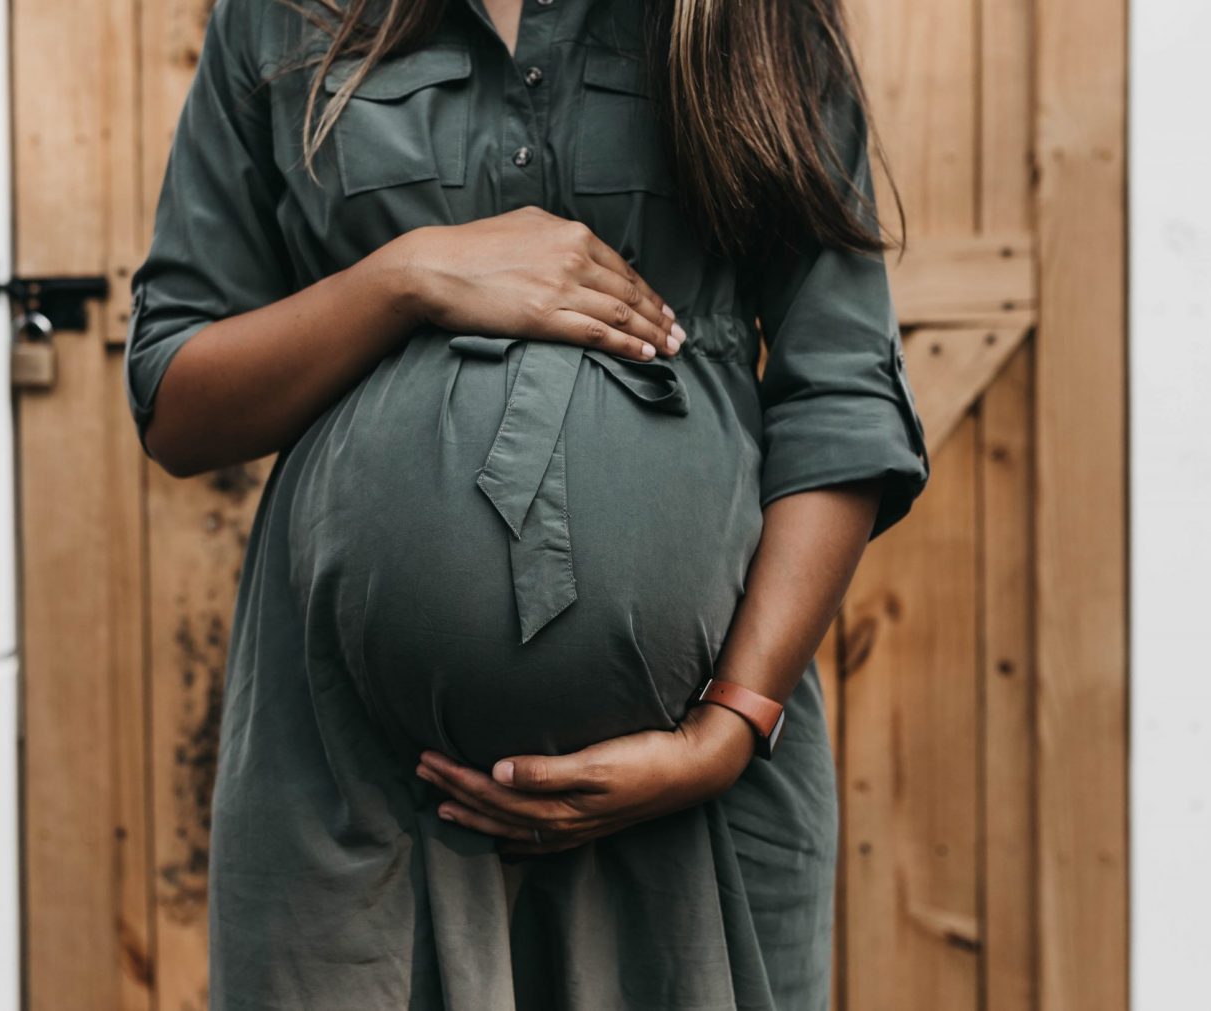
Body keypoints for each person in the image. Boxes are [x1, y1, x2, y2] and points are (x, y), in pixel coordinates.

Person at [123, 0, 930, 1006]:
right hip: (354, 800)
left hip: (694, 803)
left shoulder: (752, 14)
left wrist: (727, 729)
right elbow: (176, 402)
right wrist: (405, 278)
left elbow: (843, 388)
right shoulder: (279, 15)